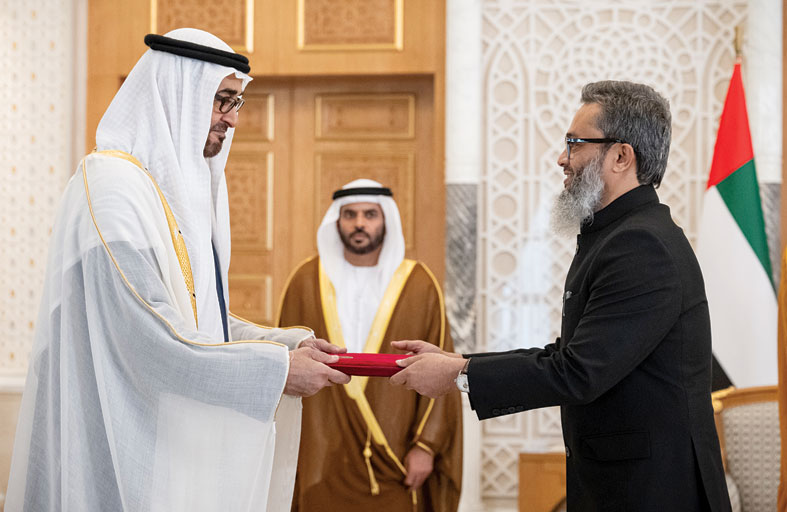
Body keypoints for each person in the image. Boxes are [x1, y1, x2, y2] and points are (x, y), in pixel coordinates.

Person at [6, 28, 349, 512]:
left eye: (236, 103)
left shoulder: (171, 191)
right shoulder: (112, 189)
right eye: (222, 100)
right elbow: (148, 335)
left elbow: (195, 318)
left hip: (167, 438)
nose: (232, 119)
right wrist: (276, 371)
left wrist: (281, 344)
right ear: (179, 92)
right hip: (117, 438)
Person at [391, 81, 732, 511]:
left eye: (575, 144)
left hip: (653, 492)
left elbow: (578, 372)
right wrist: (458, 362)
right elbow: (571, 354)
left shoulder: (641, 245)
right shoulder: (619, 235)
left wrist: (459, 374)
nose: (562, 159)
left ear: (621, 156)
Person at [277, 179, 462, 511]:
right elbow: (284, 366)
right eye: (350, 214)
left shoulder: (420, 284)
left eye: (370, 214)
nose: (359, 223)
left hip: (396, 450)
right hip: (320, 448)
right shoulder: (304, 281)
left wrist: (426, 446)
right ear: (337, 221)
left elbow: (442, 366)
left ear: (386, 219)